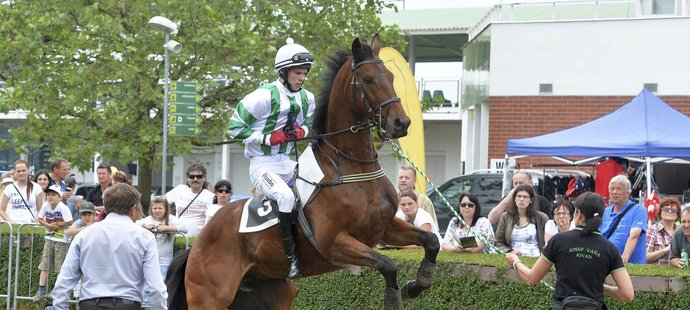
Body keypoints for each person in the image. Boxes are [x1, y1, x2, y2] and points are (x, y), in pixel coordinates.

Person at [226, 37, 315, 278]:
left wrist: (300, 132)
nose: (302, 77)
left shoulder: (308, 98)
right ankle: (292, 258)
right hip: (262, 165)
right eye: (297, 73)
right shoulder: (262, 96)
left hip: (289, 162)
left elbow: (309, 124)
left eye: (304, 73)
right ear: (284, 72)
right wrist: (267, 138)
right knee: (286, 197)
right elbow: (234, 128)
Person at [47, 183, 167, 310]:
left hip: (90, 304)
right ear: (134, 209)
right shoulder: (145, 237)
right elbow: (155, 286)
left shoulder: (84, 235)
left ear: (106, 208)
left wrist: (60, 307)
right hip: (126, 304)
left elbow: (65, 278)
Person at [505, 192, 634, 309]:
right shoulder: (609, 248)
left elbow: (531, 278)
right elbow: (627, 294)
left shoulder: (558, 241)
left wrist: (515, 262)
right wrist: (604, 288)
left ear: (578, 214)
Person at [33, 185, 73, 303]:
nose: (50, 197)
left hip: (62, 241)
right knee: (44, 264)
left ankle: (57, 291)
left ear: (60, 197)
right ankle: (41, 290)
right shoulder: (45, 205)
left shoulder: (63, 208)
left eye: (53, 195)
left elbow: (70, 221)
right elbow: (40, 218)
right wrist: (49, 225)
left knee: (59, 267)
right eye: (49, 194)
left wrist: (57, 224)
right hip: (49, 239)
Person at [600, 175, 647, 264]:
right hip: (606, 263)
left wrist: (624, 259)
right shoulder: (604, 212)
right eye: (612, 188)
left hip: (631, 265)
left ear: (628, 192)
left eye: (619, 189)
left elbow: (634, 236)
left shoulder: (638, 210)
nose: (615, 192)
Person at [136, 196, 187, 278]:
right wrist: (144, 225)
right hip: (149, 260)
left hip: (164, 262)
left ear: (166, 209)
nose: (157, 211)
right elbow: (136, 223)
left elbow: (184, 228)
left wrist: (166, 228)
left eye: (160, 208)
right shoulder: (149, 219)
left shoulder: (171, 219)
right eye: (155, 208)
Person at [495, 184, 549, 257]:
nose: (521, 199)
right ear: (514, 199)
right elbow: (498, 242)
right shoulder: (506, 217)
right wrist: (510, 252)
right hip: (513, 258)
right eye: (519, 196)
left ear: (531, 200)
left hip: (536, 259)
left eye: (525, 197)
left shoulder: (542, 217)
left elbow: (549, 242)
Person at [165, 164, 213, 237]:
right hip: (177, 237)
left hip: (198, 240)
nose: (195, 179)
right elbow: (162, 203)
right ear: (188, 178)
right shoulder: (180, 189)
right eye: (192, 177)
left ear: (204, 178)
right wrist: (168, 219)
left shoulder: (211, 197)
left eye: (199, 177)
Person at [488, 171, 553, 225]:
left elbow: (549, 226)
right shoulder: (507, 199)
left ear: (530, 183)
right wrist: (507, 199)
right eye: (515, 183)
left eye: (521, 183)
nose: (518, 186)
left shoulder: (542, 201)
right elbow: (491, 220)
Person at [0, 159, 44, 224]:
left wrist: (38, 218)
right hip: (14, 225)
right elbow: (1, 210)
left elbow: (40, 209)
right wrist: (9, 220)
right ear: (15, 172)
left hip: (31, 225)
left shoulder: (37, 187)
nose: (21, 173)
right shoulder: (9, 188)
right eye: (18, 171)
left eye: (23, 170)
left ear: (28, 170)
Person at [646, 197, 681, 265]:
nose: (670, 211)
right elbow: (645, 257)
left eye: (673, 210)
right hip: (657, 274)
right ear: (660, 213)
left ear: (677, 215)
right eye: (666, 209)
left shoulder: (682, 231)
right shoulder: (652, 230)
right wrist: (666, 249)